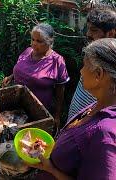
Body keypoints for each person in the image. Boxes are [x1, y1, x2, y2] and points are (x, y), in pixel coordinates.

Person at [27, 38, 116, 179]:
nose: (81, 71)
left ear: (98, 74)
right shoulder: (99, 104)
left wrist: (53, 170)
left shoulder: (104, 134)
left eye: (84, 66)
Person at [2, 23, 69, 128]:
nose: (34, 44)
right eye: (33, 39)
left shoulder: (57, 61)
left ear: (49, 41)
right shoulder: (28, 51)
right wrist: (11, 76)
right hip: (16, 104)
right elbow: (21, 67)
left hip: (37, 111)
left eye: (39, 41)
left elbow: (60, 91)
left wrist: (57, 115)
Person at [67, 8, 116, 122]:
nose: (88, 33)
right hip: (77, 114)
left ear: (111, 33)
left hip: (92, 122)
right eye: (88, 28)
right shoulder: (94, 51)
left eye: (94, 30)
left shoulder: (112, 60)